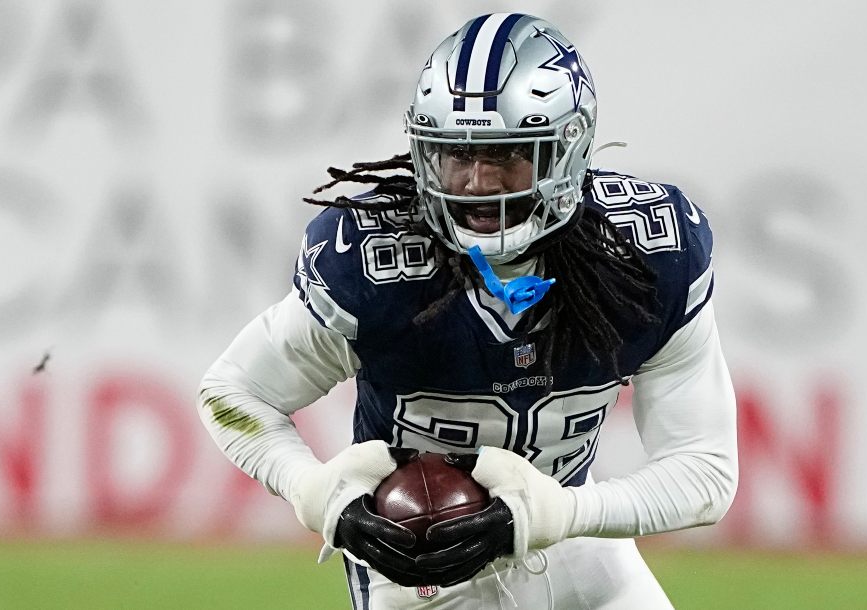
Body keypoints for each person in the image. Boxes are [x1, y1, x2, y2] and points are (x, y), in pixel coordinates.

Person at [198, 12, 738, 609]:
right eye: (457, 155)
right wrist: (316, 491)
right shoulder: (377, 266)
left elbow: (705, 473)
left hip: (574, 542)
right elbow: (232, 392)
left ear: (567, 149)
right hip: (420, 572)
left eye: (505, 155)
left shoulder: (642, 259)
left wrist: (562, 512)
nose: (477, 183)